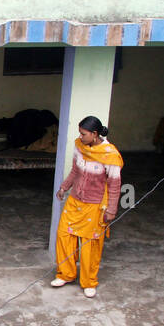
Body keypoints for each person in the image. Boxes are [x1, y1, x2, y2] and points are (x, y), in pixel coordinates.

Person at [52, 115, 123, 298]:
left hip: (95, 205)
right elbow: (75, 171)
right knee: (64, 235)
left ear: (94, 133)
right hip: (75, 201)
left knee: (89, 244)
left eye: (84, 134)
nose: (81, 137)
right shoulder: (80, 147)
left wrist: (111, 210)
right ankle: (66, 274)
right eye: (80, 133)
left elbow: (114, 185)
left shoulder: (110, 155)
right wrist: (64, 187)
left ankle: (89, 282)